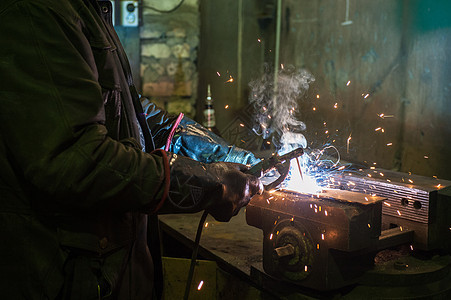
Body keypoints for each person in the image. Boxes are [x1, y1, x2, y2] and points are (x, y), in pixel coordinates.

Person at [0, 0, 262, 299]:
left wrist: (220, 154)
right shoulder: (38, 12)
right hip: (61, 276)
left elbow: (126, 111)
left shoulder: (86, 10)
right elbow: (78, 160)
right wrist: (206, 182)